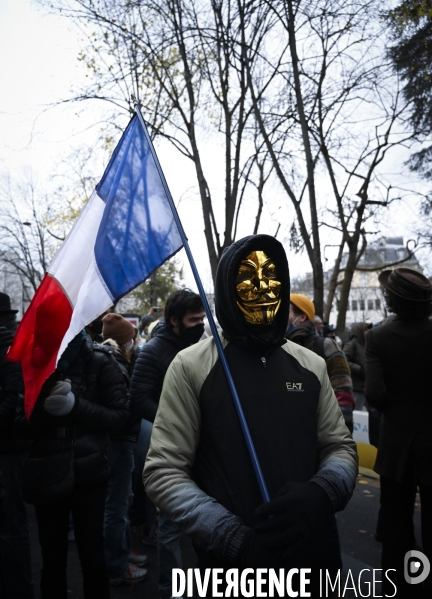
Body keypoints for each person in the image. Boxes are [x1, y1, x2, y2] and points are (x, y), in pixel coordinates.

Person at [143, 235, 358, 595]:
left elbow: (340, 447)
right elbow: (163, 472)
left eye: (272, 276)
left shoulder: (311, 364)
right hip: (232, 570)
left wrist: (323, 493)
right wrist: (232, 539)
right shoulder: (191, 366)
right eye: (248, 278)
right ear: (228, 287)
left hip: (315, 556)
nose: (263, 287)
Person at [29, 324, 129, 599]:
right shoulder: (35, 361)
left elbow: (119, 416)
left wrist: (76, 406)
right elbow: (20, 419)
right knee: (52, 558)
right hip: (47, 470)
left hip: (89, 474)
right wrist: (42, 408)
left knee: (92, 555)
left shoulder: (101, 360)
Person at [129, 289, 206, 599]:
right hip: (169, 447)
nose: (200, 325)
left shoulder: (198, 349)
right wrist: (174, 418)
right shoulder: (153, 351)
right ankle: (170, 590)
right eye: (193, 320)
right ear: (174, 321)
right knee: (171, 523)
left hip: (199, 444)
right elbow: (138, 400)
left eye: (202, 318)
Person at [365, 267, 432, 598]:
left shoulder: (376, 338)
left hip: (396, 448)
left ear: (391, 300)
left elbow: (375, 395)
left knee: (396, 523)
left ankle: (400, 586)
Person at [101, 313, 148, 586]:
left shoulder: (120, 361)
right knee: (117, 505)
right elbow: (122, 410)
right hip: (119, 442)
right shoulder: (114, 366)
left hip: (123, 440)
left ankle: (122, 551)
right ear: (124, 343)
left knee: (124, 499)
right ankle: (116, 564)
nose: (137, 343)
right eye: (132, 339)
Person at [0, 293, 34, 599]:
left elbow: (14, 402)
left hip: (10, 449)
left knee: (13, 527)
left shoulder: (9, 350)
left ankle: (20, 590)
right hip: (10, 446)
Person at [286, 293, 356, 432]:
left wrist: (338, 443)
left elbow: (343, 396)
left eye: (285, 311)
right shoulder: (278, 347)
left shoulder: (326, 346)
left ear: (302, 317)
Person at [342, 322, 372, 412]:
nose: (368, 332)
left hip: (367, 387)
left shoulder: (368, 344)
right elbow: (343, 361)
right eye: (365, 329)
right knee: (357, 414)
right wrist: (358, 369)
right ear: (359, 331)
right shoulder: (351, 345)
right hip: (357, 387)